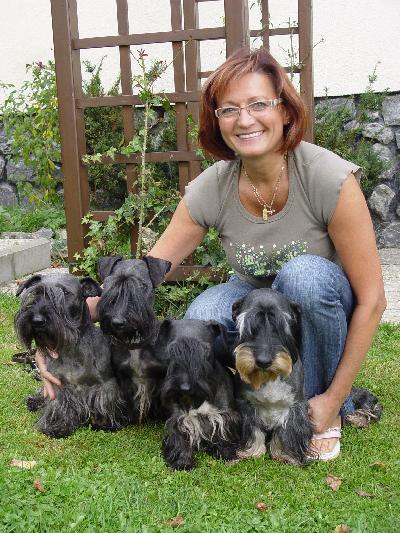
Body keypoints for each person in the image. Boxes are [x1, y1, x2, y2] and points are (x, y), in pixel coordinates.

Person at [37, 47, 386, 460]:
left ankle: (319, 403)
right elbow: (144, 277)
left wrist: (334, 398)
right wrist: (53, 335)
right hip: (250, 294)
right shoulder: (214, 185)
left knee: (303, 277)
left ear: (285, 110)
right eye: (229, 109)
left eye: (259, 104)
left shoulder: (329, 178)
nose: (245, 119)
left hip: (319, 300)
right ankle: (247, 398)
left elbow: (372, 300)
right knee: (201, 318)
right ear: (217, 121)